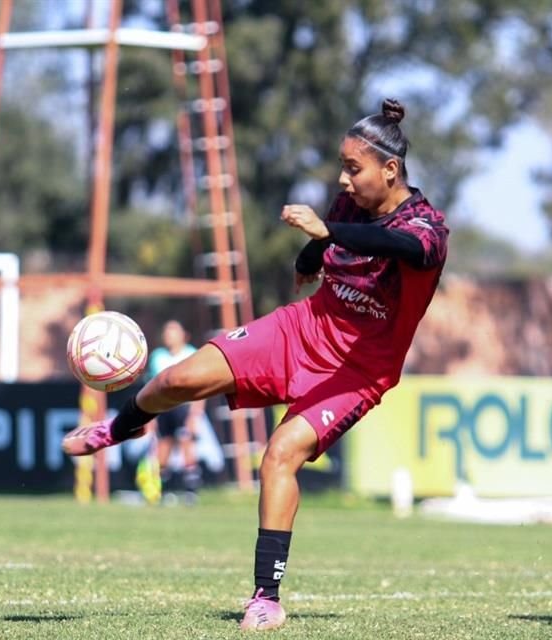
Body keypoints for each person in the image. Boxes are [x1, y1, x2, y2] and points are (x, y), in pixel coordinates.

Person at [62, 98, 449, 631]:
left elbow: (394, 244)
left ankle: (266, 597)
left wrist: (327, 235)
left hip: (359, 369)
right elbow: (327, 243)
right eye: (342, 164)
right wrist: (306, 260)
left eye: (353, 168)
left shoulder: (428, 229)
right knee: (180, 377)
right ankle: (119, 426)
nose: (343, 178)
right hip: (302, 329)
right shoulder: (350, 205)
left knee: (278, 456)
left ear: (390, 169)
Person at [147, 320, 204, 504]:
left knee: (187, 443)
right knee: (163, 447)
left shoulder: (192, 354)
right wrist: (150, 415)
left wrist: (195, 414)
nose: (169, 336)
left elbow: (201, 387)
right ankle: (164, 491)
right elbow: (152, 387)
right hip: (163, 408)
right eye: (167, 332)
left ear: (183, 335)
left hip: (184, 407)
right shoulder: (158, 357)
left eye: (173, 332)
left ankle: (190, 491)